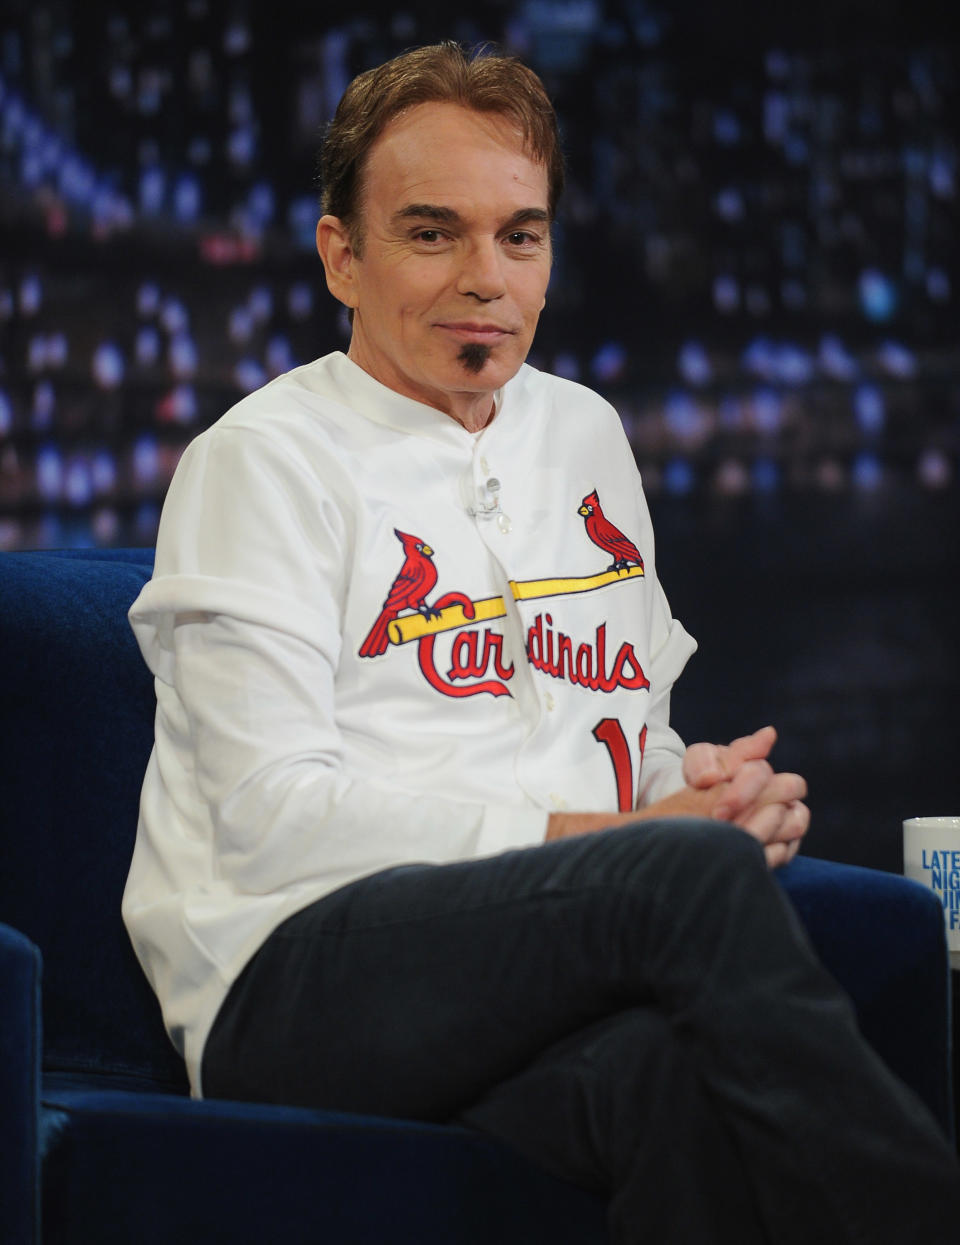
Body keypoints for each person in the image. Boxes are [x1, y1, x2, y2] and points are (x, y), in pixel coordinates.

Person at [123, 42, 959, 1243]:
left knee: (672, 1089)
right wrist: (637, 848)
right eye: (431, 233)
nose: (486, 278)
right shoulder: (259, 460)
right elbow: (270, 817)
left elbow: (626, 734)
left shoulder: (584, 436)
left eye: (521, 235)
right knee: (676, 880)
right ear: (340, 258)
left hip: (536, 980)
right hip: (291, 980)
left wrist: (695, 792)